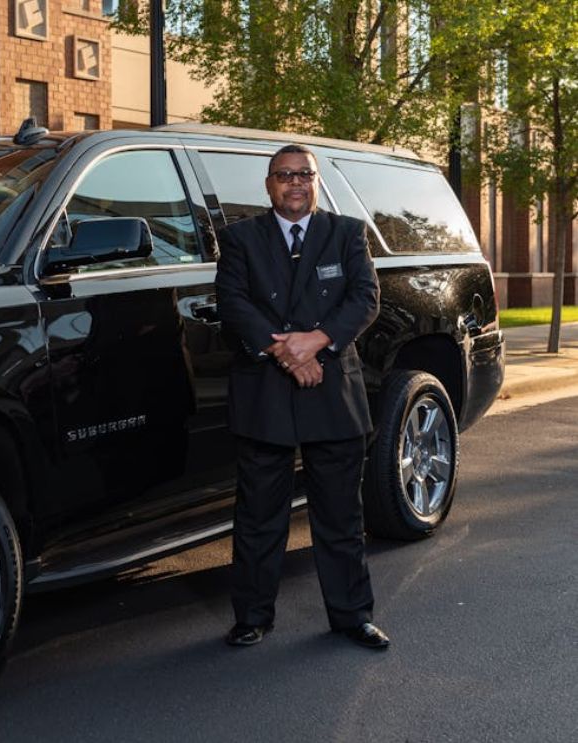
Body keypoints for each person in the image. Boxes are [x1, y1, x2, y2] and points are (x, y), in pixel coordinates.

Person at [213, 143, 389, 650]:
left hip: (331, 392)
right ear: (268, 184)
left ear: (316, 181)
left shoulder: (347, 233)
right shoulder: (241, 238)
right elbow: (234, 303)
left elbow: (365, 297)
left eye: (304, 175)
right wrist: (290, 355)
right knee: (258, 517)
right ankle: (252, 617)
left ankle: (353, 616)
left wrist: (317, 342)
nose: (295, 183)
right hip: (266, 393)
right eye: (284, 175)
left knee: (340, 517)